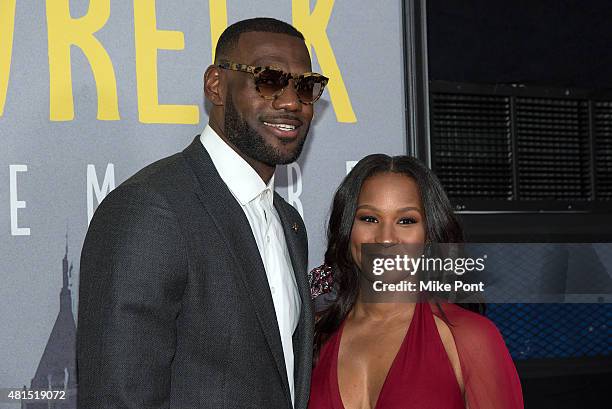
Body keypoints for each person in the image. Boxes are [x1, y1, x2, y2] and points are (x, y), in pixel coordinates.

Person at [77, 17, 328, 409]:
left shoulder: (288, 222)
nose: (292, 102)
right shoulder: (151, 209)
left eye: (305, 86)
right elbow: (117, 397)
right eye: (269, 79)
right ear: (216, 85)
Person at [308, 154, 524, 409]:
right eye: (369, 218)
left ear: (429, 236)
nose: (386, 238)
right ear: (347, 228)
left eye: (406, 221)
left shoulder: (469, 337)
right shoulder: (315, 336)